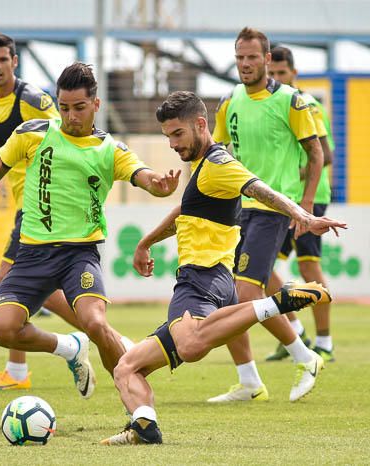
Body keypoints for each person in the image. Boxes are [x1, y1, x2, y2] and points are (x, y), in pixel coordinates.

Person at [100, 91, 346, 445]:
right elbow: (186, 213)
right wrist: (146, 242)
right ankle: (143, 425)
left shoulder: (219, 163)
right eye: (168, 136)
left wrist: (304, 215)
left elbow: (261, 190)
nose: (171, 144)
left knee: (190, 346)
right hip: (214, 282)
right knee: (126, 367)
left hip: (202, 279)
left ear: (200, 124)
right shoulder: (202, 167)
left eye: (178, 134)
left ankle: (276, 304)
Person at [0, 62, 181, 400]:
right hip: (33, 254)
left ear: (96, 105)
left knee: (95, 323)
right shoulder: (32, 134)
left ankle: (136, 405)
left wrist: (160, 186)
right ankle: (68, 346)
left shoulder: (110, 149)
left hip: (79, 255)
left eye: (79, 108)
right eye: (64, 107)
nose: (71, 116)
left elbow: (145, 176)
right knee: (0, 329)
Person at [0, 32, 84, 392]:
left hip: (42, 204)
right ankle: (87, 340)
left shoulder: (34, 100)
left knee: (12, 282)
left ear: (14, 62)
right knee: (21, 285)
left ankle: (90, 339)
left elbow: (69, 134)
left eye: (3, 60)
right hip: (25, 205)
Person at [209, 27, 326, 403]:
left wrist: (305, 206)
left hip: (273, 209)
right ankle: (249, 381)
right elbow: (219, 156)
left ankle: (306, 356)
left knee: (245, 293)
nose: (245, 64)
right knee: (228, 296)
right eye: (240, 58)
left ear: (267, 59)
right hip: (235, 210)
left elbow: (316, 153)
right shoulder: (229, 102)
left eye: (253, 58)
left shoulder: (292, 102)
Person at [265, 45, 336, 362]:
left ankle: (325, 342)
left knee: (308, 265)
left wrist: (304, 198)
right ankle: (296, 334)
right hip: (285, 199)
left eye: (283, 73)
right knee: (262, 270)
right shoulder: (273, 105)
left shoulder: (307, 104)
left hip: (310, 197)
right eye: (274, 74)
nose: (278, 78)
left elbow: (326, 154)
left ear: (294, 73)